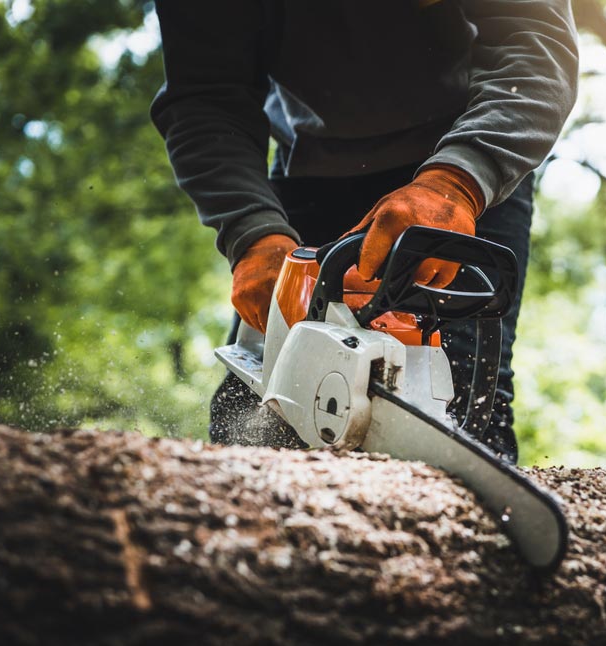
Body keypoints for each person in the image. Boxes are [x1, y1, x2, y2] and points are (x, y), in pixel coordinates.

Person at [151, 0, 578, 463]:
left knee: (464, 399)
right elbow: (206, 91)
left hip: (469, 154)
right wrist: (252, 232)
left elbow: (534, 39)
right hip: (308, 176)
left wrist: (459, 180)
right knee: (262, 407)